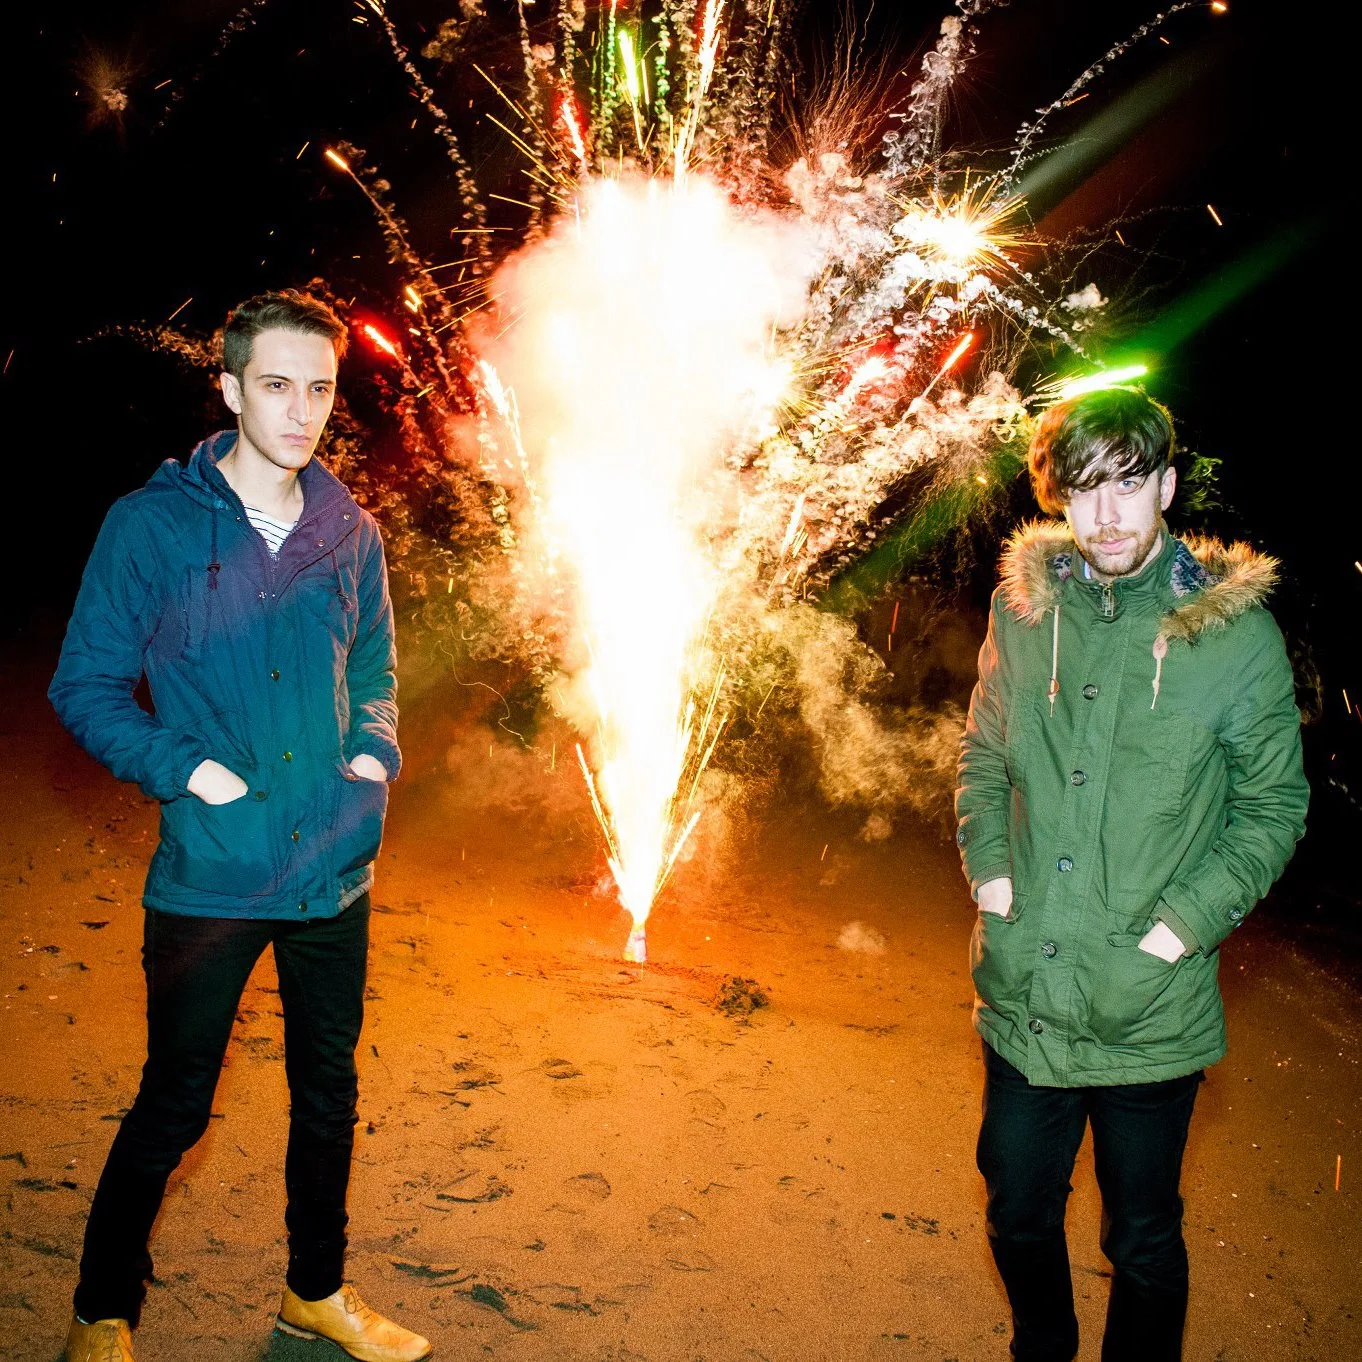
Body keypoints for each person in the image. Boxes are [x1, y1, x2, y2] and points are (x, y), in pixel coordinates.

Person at [51, 291, 431, 1362]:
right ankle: (102, 1312)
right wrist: (187, 771)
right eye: (276, 385)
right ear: (228, 390)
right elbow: (84, 687)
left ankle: (316, 1291)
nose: (302, 410)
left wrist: (375, 749)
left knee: (329, 1098)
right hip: (212, 874)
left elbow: (375, 669)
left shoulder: (349, 532)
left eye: (320, 388)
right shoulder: (151, 526)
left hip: (332, 872)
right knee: (175, 1104)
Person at [954, 386, 1308, 1362]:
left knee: (1142, 1238)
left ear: (1166, 487)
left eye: (1128, 484)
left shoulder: (1233, 637)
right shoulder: (1024, 610)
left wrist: (1179, 929)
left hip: (1148, 1007)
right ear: (1059, 495)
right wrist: (992, 876)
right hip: (1027, 987)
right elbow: (983, 753)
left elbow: (1272, 807)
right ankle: (1045, 1346)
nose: (1106, 514)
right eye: (1083, 488)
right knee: (1017, 1210)